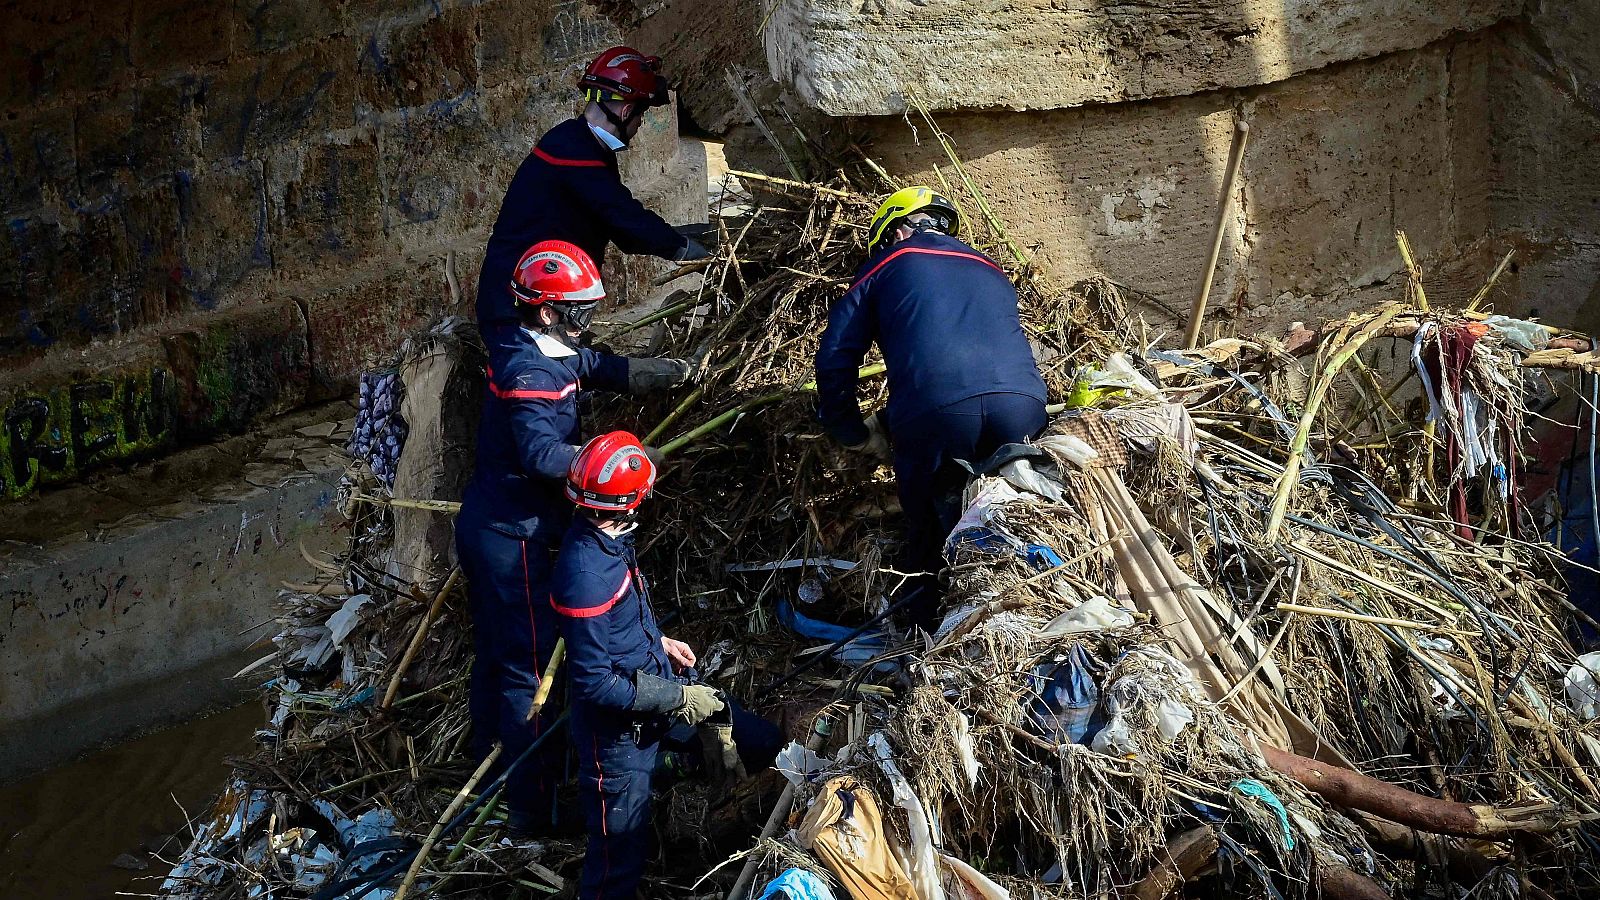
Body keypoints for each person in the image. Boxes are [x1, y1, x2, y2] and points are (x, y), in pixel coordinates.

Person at [454, 240, 692, 835]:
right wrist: (618, 462)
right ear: (546, 311)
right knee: (527, 673)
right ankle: (531, 814)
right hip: (513, 539)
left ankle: (488, 767)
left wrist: (637, 374)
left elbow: (584, 364)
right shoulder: (529, 374)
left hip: (493, 523)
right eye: (578, 310)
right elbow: (540, 453)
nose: (588, 319)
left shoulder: (535, 345)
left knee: (497, 655)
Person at [552, 431, 782, 900]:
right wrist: (680, 699)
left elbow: (622, 619)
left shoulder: (611, 538)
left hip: (656, 691)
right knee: (618, 861)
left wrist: (659, 641)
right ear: (629, 502)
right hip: (619, 738)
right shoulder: (585, 576)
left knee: (760, 740)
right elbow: (595, 682)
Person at [814, 186, 1048, 629]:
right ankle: (1030, 616)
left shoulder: (888, 261)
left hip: (937, 412)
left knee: (927, 534)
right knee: (1016, 521)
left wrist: (850, 431)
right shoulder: (991, 268)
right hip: (1024, 403)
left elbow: (835, 357)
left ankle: (927, 636)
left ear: (895, 231)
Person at [476, 45, 713, 353]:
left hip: (536, 305)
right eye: (641, 114)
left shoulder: (578, 143)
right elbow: (623, 217)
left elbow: (620, 229)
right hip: (519, 313)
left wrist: (680, 237)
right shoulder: (576, 154)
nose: (640, 124)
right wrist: (684, 248)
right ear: (626, 112)